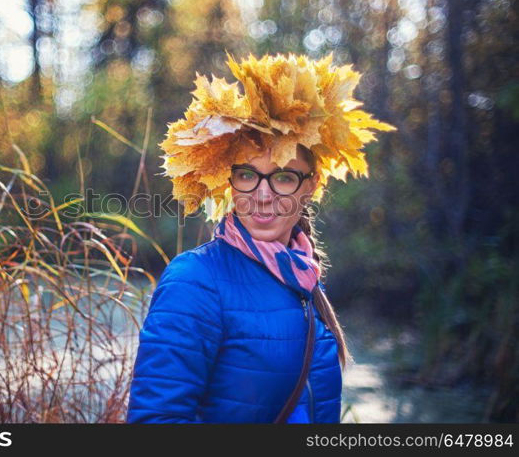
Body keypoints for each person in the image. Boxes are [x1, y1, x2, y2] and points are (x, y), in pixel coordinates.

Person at [125, 51, 396, 423]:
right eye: (248, 175)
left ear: (310, 186)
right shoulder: (196, 280)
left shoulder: (302, 276)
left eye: (284, 177)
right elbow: (156, 420)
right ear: (229, 181)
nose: (263, 194)